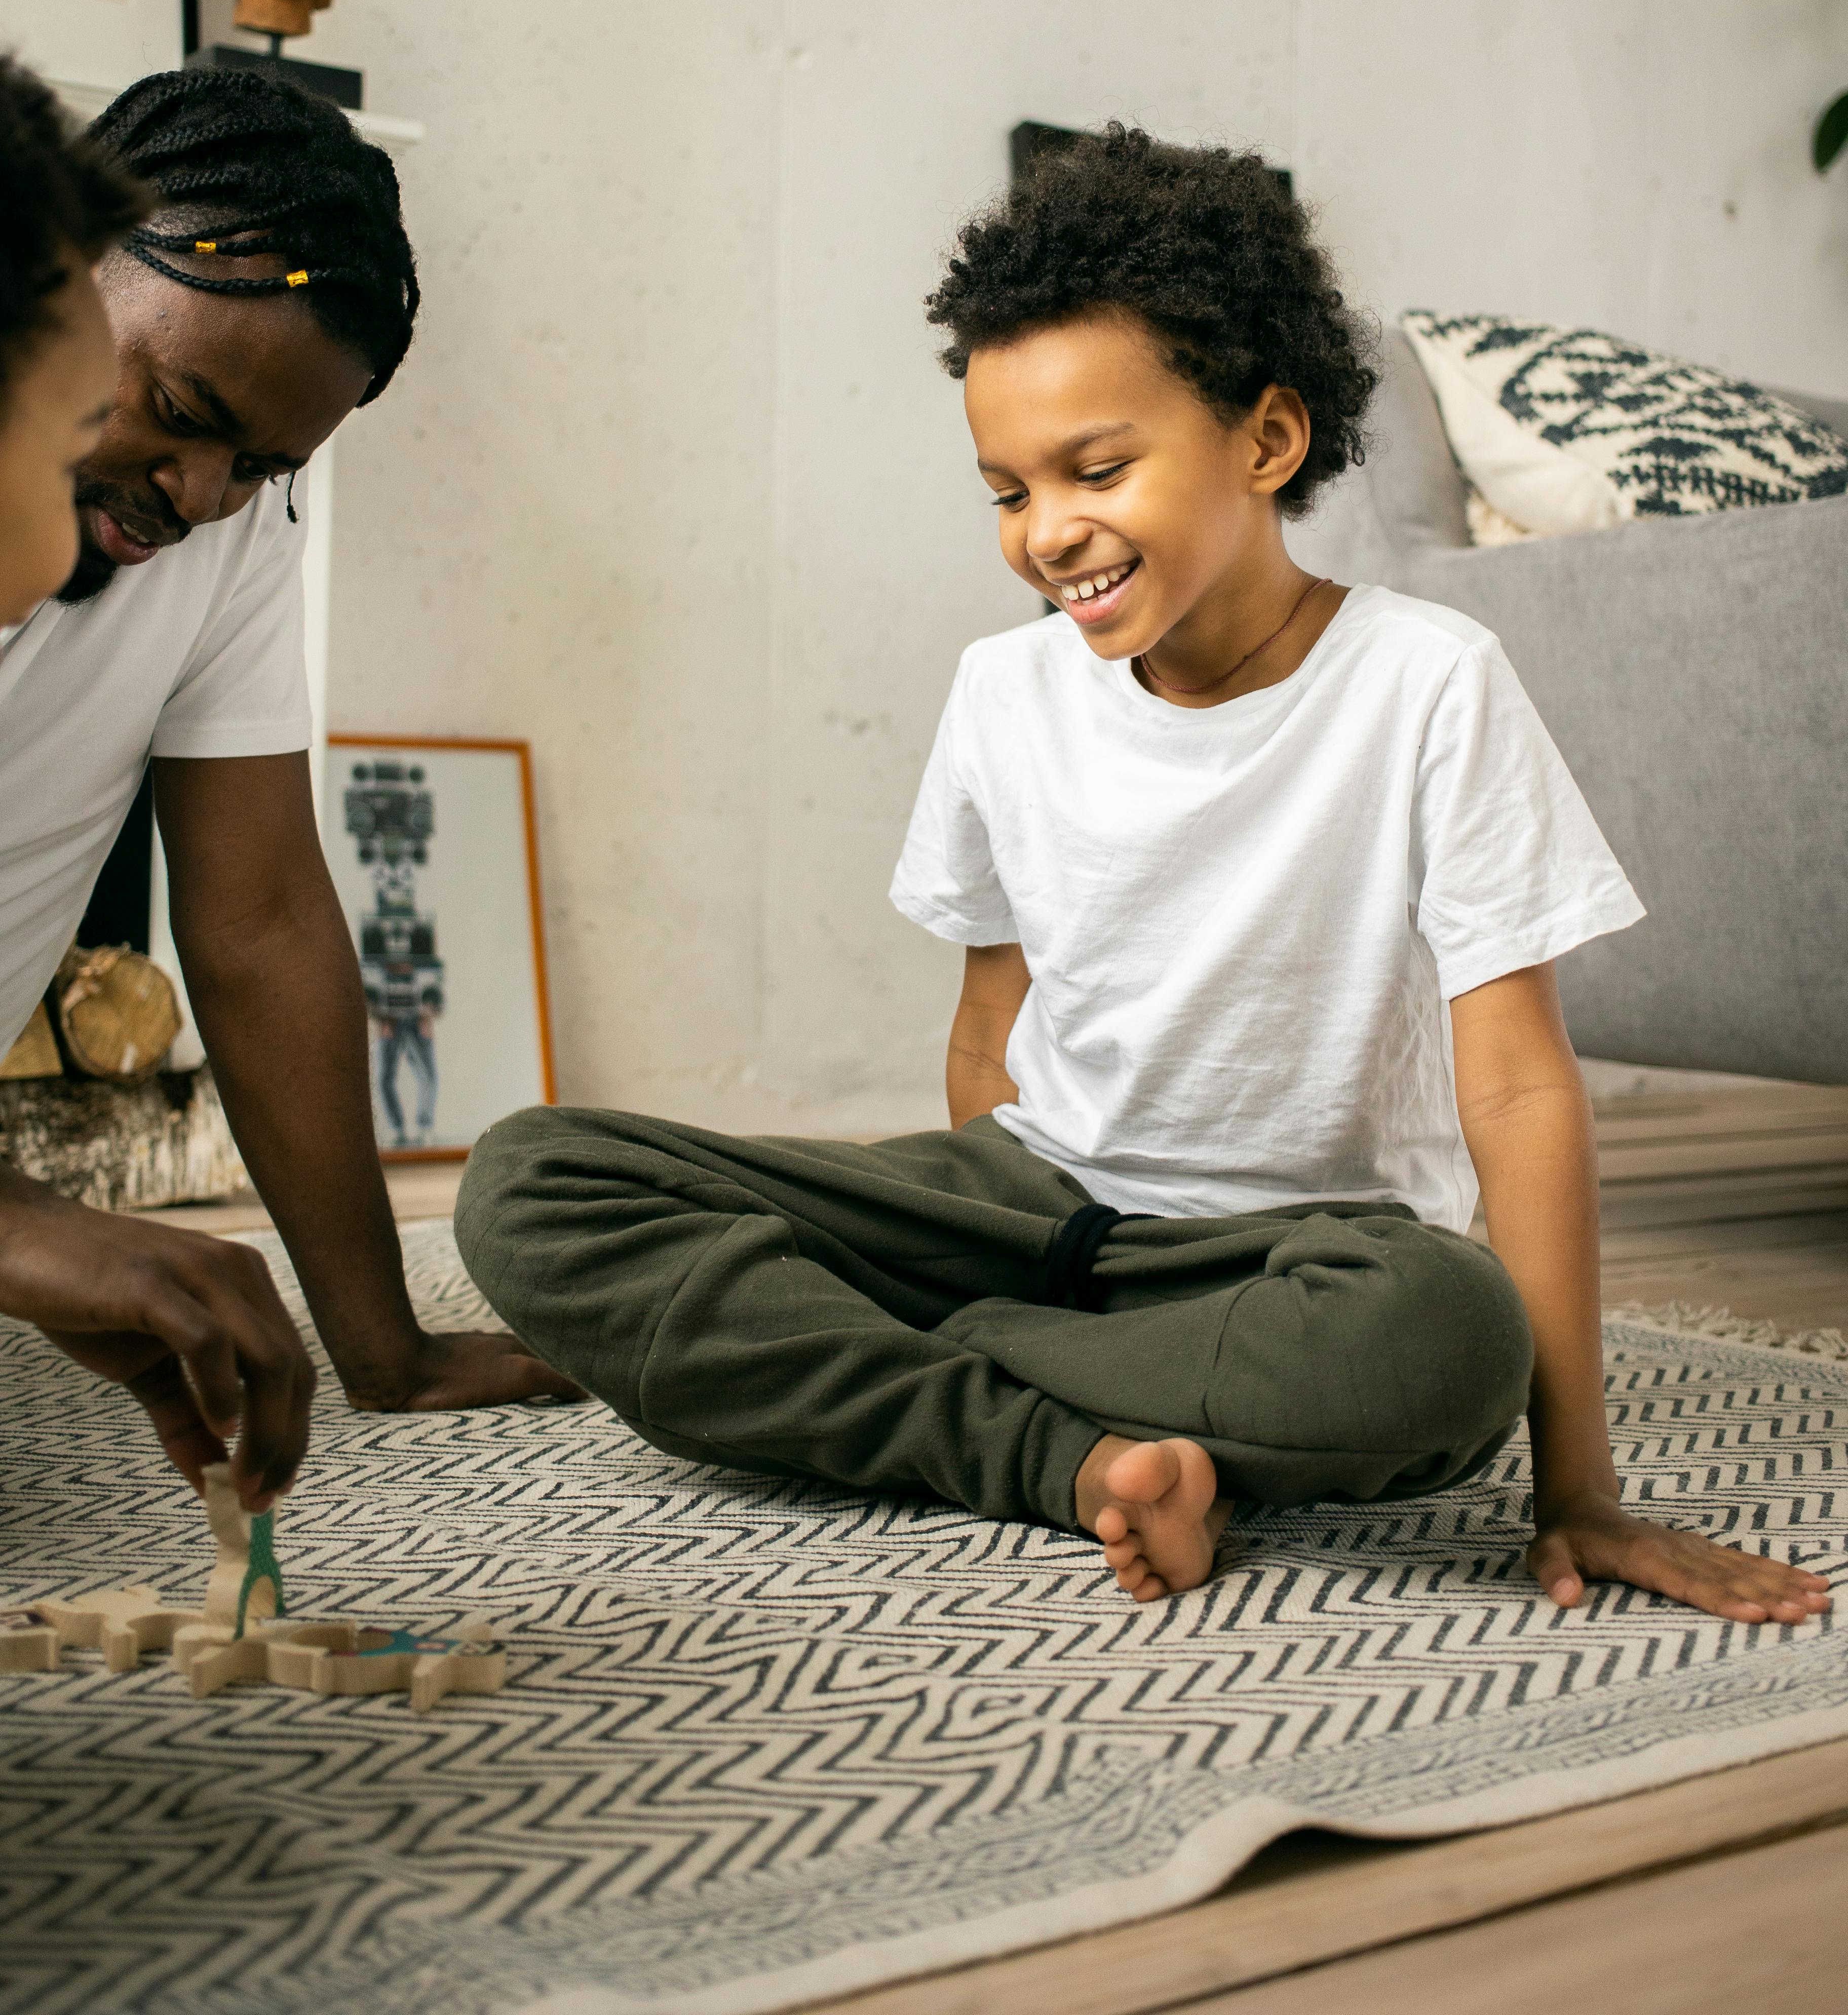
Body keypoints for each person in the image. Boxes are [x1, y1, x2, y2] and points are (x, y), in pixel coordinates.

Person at [456, 127, 1829, 1630]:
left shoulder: (1430, 684)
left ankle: (895, 1362)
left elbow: (1514, 1089)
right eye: (1006, 490)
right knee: (533, 1185)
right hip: (1030, 1203)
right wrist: (988, 1235)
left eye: (1096, 469)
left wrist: (1580, 1495)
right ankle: (1063, 1450)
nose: (1049, 532)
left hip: (1297, 1260)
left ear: (1268, 440)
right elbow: (990, 1036)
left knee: (1444, 1342)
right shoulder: (1001, 694)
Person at [0, 60, 572, 1513]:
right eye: (177, 409)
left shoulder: (223, 543)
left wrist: (384, 1347)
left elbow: (258, 923)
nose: (195, 497)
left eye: (255, 465)